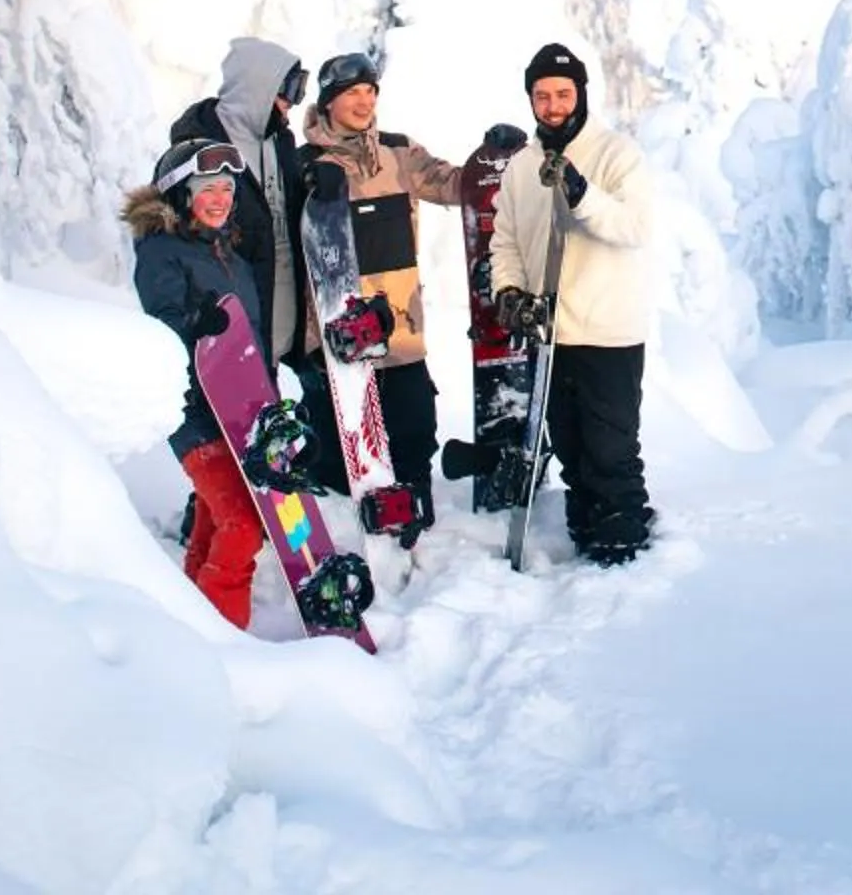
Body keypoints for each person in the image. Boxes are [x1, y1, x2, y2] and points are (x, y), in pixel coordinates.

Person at [488, 41, 657, 565]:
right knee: (571, 446)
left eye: (563, 94)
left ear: (581, 94)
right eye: (543, 96)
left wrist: (582, 195)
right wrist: (509, 291)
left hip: (607, 332)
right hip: (552, 332)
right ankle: (587, 531)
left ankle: (623, 539)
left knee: (610, 450)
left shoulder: (616, 154)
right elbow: (507, 239)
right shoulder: (522, 167)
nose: (554, 105)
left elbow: (634, 228)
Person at [297, 50, 468, 538]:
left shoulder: (399, 154)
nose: (364, 101)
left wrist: (494, 165)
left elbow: (454, 185)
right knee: (341, 445)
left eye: (370, 91)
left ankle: (414, 524)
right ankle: (346, 538)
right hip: (338, 339)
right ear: (328, 101)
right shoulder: (302, 164)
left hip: (400, 331)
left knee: (414, 429)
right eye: (352, 92)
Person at [171, 38, 336, 483]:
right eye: (288, 90)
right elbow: (176, 230)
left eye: (298, 91)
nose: (291, 103)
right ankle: (216, 504)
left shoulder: (278, 140)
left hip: (283, 296)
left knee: (272, 407)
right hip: (232, 302)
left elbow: (282, 211)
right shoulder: (199, 147)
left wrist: (314, 182)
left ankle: (280, 488)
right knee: (229, 409)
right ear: (259, 87)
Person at [126, 138, 268, 629]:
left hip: (239, 412)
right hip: (194, 414)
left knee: (216, 522)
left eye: (227, 188)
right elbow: (162, 325)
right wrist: (197, 323)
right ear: (182, 193)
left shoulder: (232, 257)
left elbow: (251, 342)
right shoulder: (162, 251)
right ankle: (221, 639)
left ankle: (189, 624)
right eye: (208, 188)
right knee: (244, 526)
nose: (221, 198)